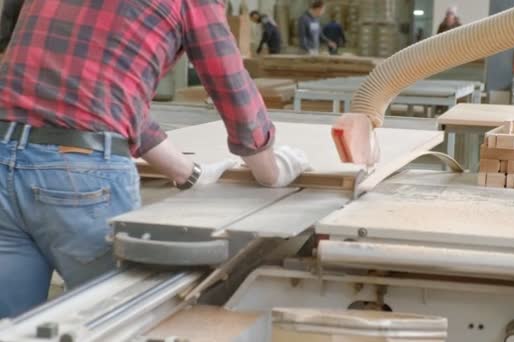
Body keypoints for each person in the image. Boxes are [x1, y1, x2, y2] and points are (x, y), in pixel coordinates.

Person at [0, 0, 309, 318]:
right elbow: (229, 84)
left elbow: (109, 104)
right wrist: (271, 171)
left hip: (3, 156)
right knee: (113, 321)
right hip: (78, 176)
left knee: (12, 326)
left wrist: (189, 173)